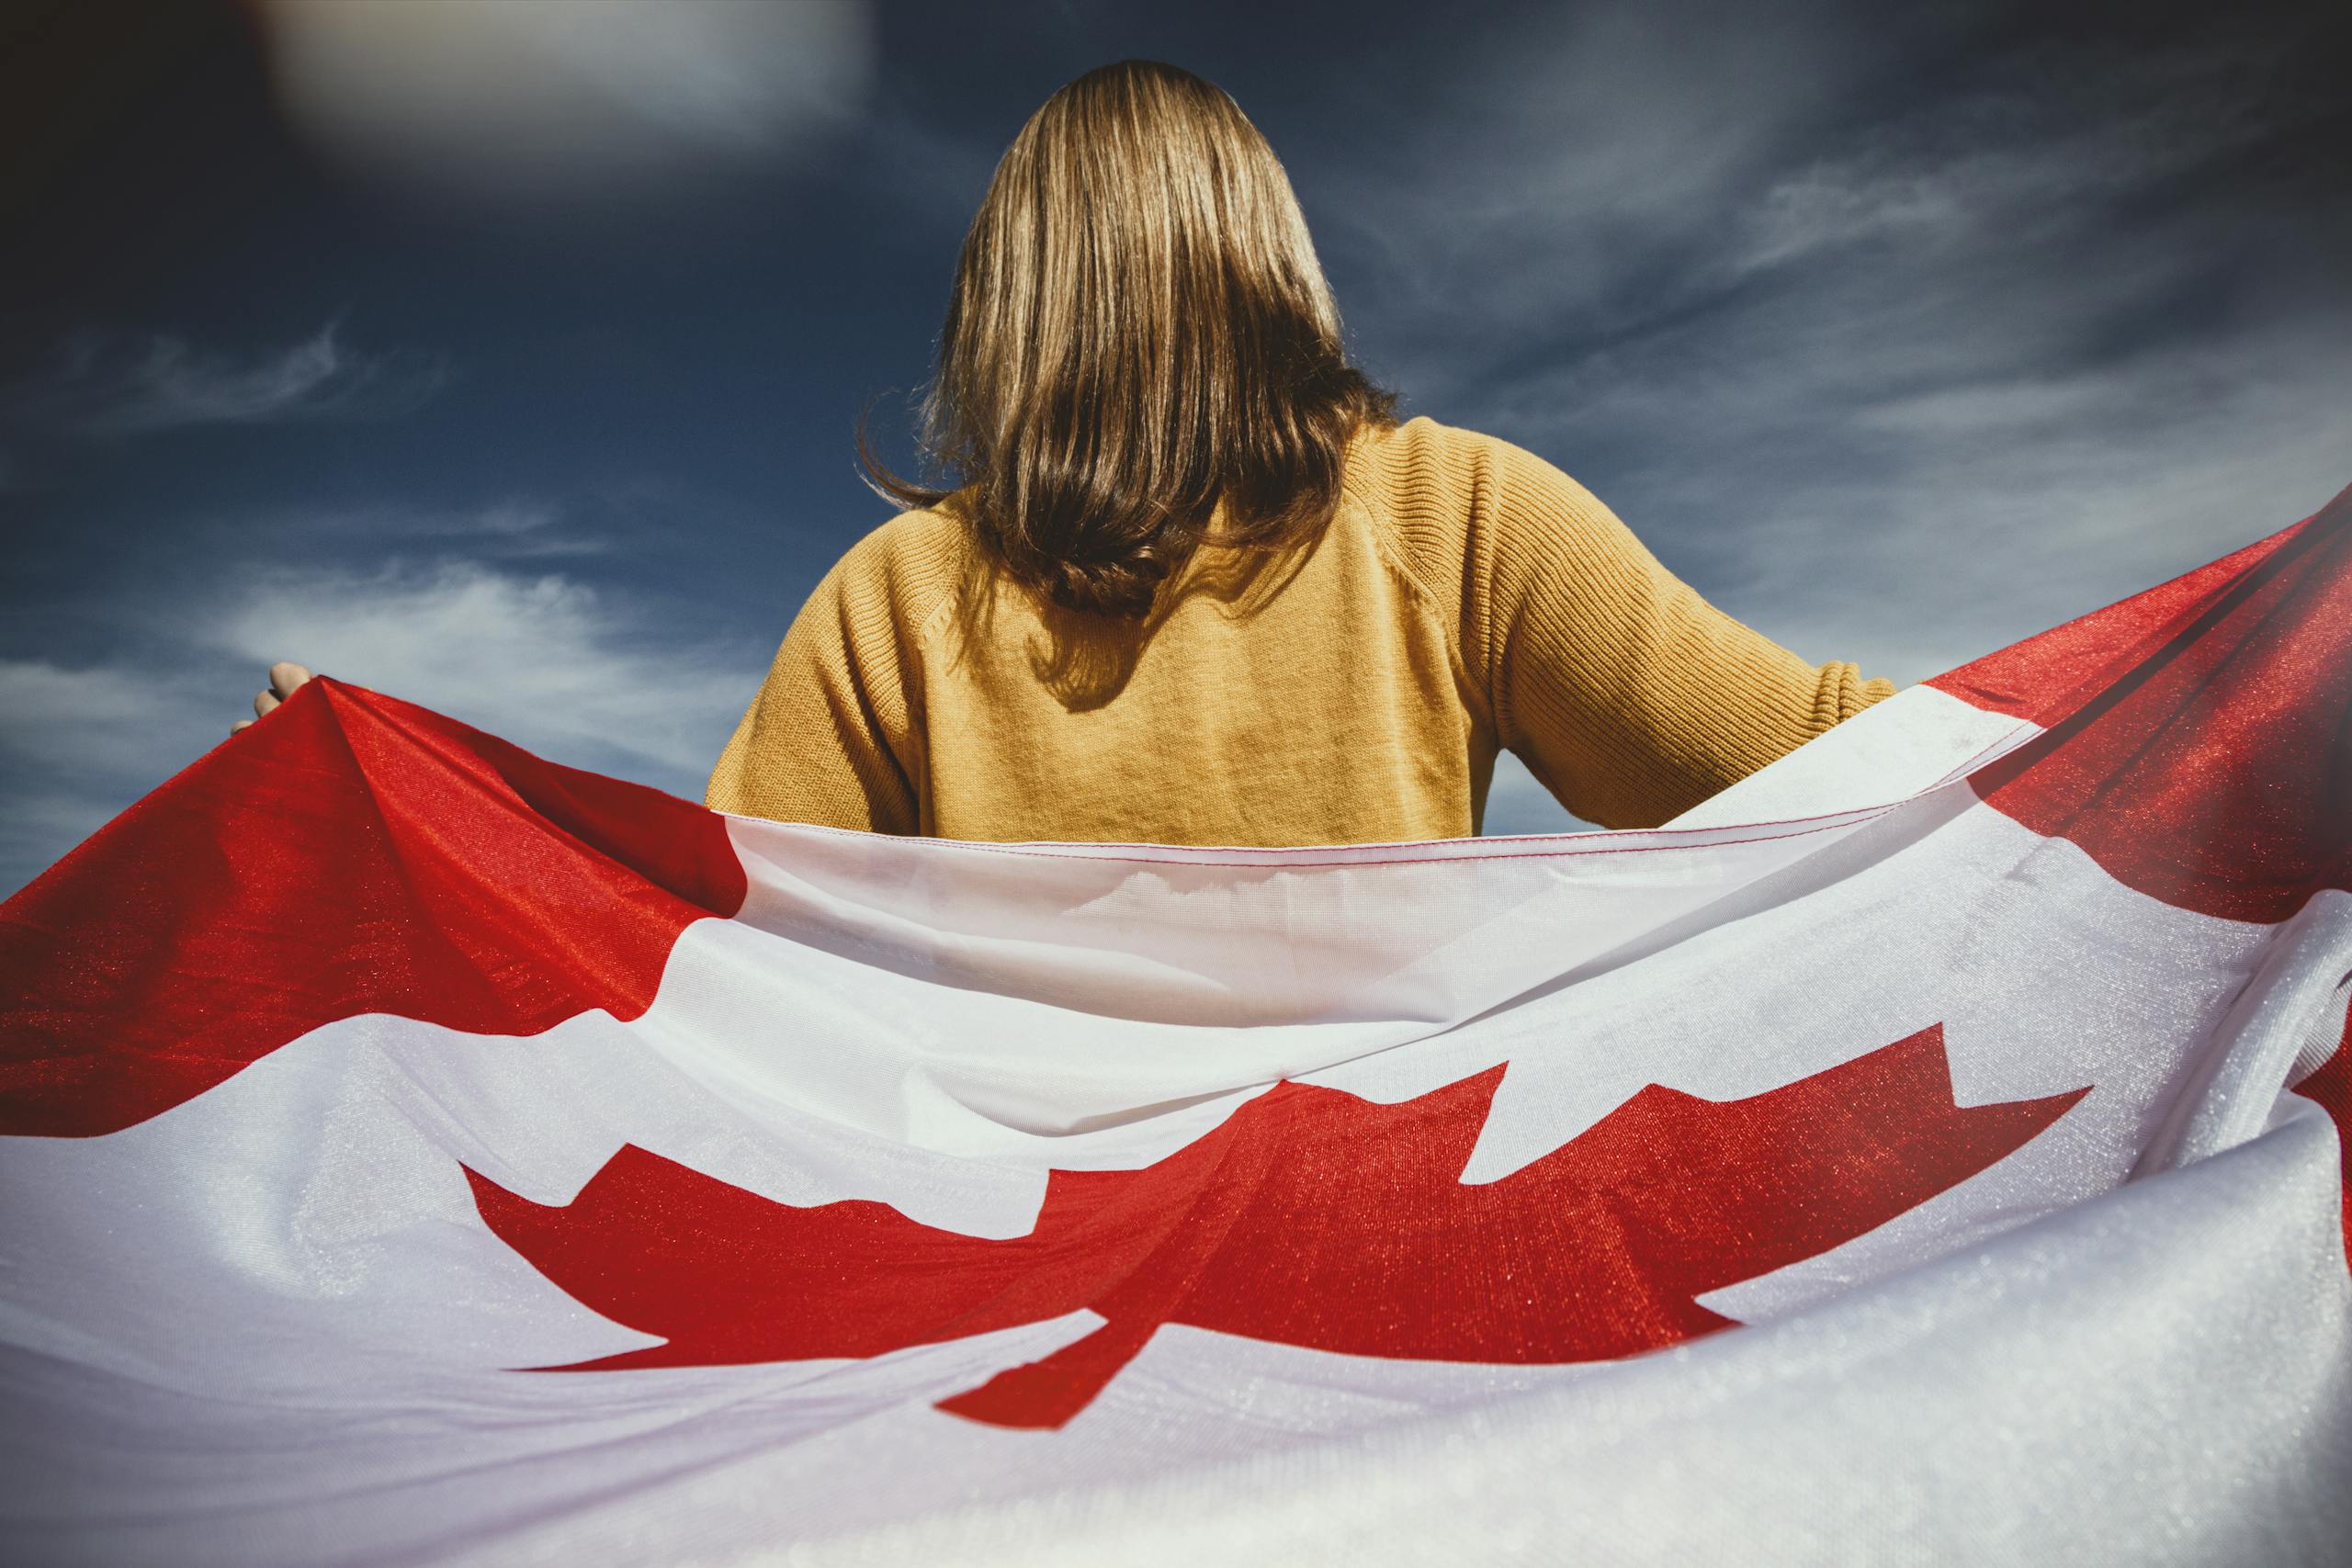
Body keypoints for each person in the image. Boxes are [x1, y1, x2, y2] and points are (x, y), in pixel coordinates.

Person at [236, 61, 1893, 844]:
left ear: (1007, 307)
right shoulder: (1455, 512)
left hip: (1004, 1300)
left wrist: (414, 816)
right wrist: (2133, 698)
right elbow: (1812, 759)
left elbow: (705, 936)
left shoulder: (898, 596)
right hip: (1386, 1269)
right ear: (1274, 265)